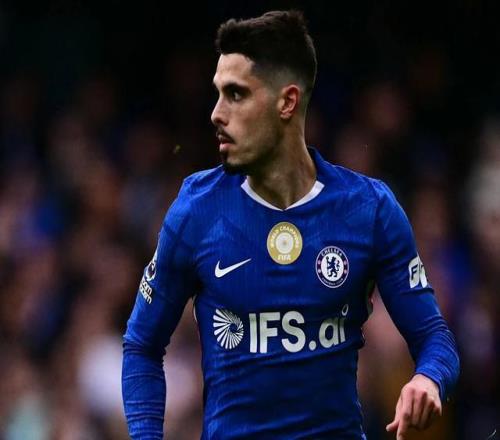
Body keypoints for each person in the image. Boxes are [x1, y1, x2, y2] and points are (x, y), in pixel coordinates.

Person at [122, 10, 460, 439]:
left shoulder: (369, 209)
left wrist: (428, 378)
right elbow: (142, 345)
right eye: (217, 94)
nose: (216, 113)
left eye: (236, 94)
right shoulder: (196, 210)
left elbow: (434, 337)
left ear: (287, 102)